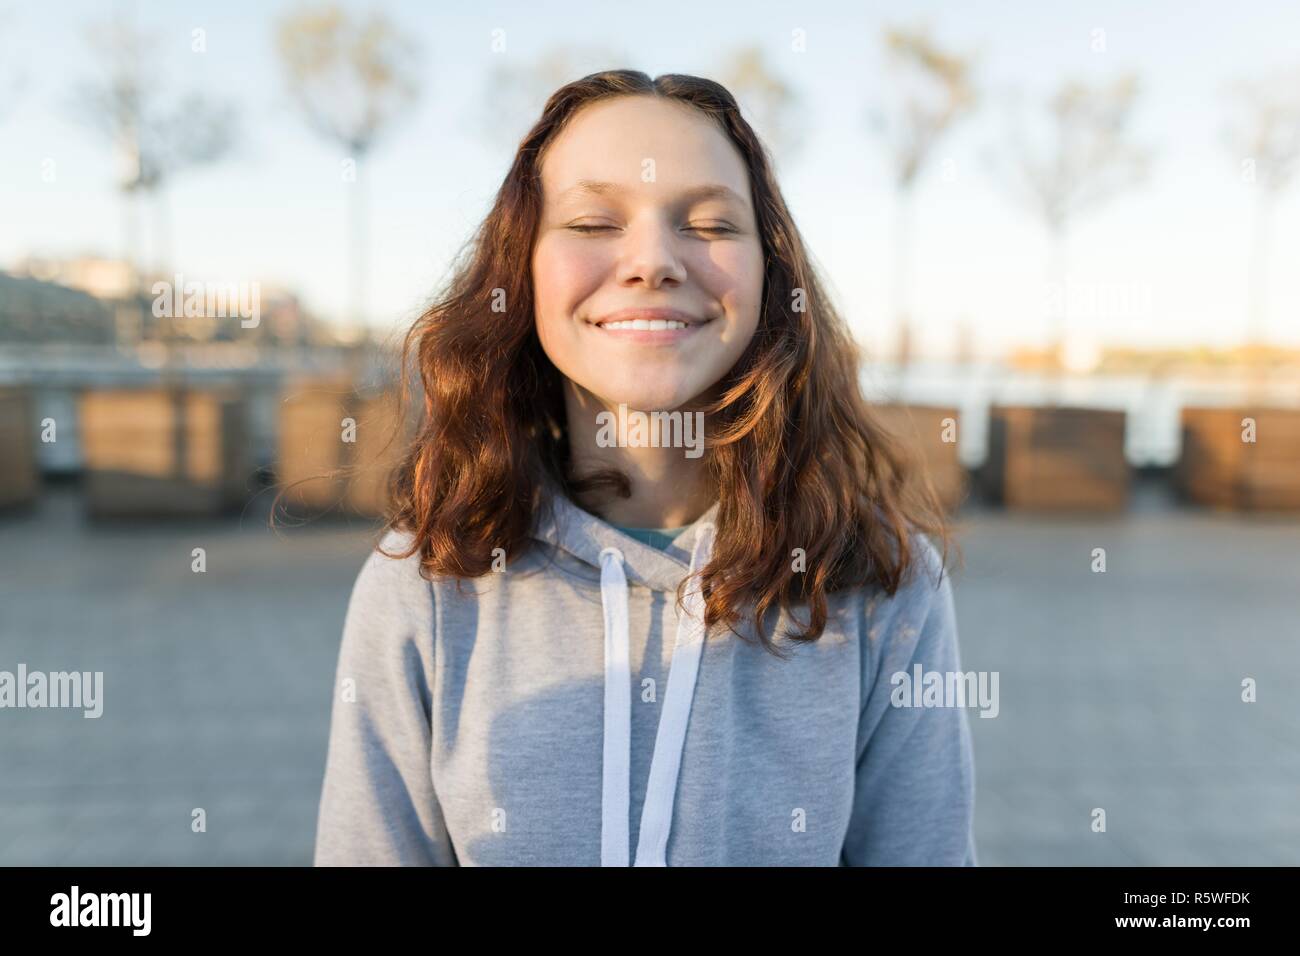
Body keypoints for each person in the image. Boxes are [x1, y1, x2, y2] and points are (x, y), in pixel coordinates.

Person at [312, 69, 976, 866]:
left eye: (710, 224)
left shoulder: (882, 585)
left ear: (771, 277)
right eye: (594, 220)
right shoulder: (425, 584)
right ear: (519, 270)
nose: (653, 260)